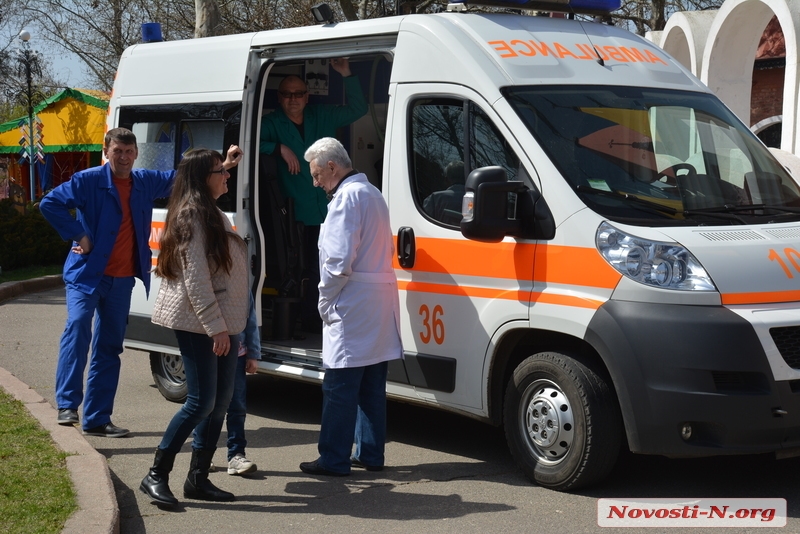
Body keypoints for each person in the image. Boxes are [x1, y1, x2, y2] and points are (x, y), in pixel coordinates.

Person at [38, 129, 236, 437]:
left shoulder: (143, 181)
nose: (124, 157)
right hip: (87, 275)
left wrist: (223, 164)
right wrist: (80, 235)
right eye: (118, 151)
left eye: (129, 152)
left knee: (110, 347)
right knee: (77, 329)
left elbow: (186, 177)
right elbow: (49, 203)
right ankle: (67, 405)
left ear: (136, 154)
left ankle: (97, 419)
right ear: (106, 151)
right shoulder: (87, 180)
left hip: (121, 280)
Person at [139, 147, 248, 507]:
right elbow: (196, 280)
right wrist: (217, 327)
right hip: (201, 322)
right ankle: (156, 475)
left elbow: (217, 275)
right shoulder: (191, 216)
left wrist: (227, 160)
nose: (227, 175)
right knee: (200, 403)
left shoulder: (209, 209)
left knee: (220, 403)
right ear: (204, 179)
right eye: (221, 171)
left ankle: (198, 479)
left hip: (223, 322)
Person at [298, 137, 403, 477]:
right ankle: (371, 453)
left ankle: (333, 457)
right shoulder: (372, 193)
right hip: (377, 299)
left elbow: (337, 262)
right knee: (372, 383)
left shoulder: (346, 199)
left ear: (332, 167)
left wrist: (324, 299)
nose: (315, 182)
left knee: (340, 386)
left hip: (353, 299)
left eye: (316, 174)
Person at [259, 58, 368, 332]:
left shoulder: (323, 116)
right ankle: (310, 323)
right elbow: (245, 139)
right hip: (298, 214)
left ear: (307, 97)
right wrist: (278, 148)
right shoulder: (271, 122)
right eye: (287, 94)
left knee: (334, 266)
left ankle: (325, 320)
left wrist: (346, 73)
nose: (293, 99)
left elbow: (359, 108)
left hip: (330, 209)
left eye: (298, 94)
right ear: (279, 98)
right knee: (308, 270)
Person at [210, 293, 260, 476]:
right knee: (207, 407)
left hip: (237, 355)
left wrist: (253, 353)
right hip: (208, 353)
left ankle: (236, 455)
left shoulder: (241, 284)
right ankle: (203, 454)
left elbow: (251, 319)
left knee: (237, 407)